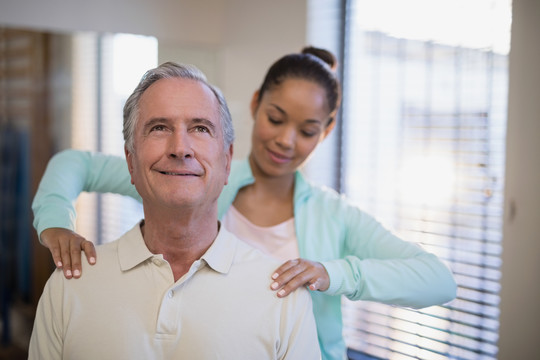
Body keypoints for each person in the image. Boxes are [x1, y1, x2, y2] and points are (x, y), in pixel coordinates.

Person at [32, 47, 457, 360]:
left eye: (307, 130)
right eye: (276, 118)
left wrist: (333, 273)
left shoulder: (334, 216)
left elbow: (438, 280)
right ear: (255, 105)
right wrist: (54, 224)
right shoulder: (195, 173)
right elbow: (77, 164)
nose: (286, 140)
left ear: (325, 132)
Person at [28, 62, 321, 359]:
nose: (180, 148)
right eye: (159, 128)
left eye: (200, 128)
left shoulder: (284, 298)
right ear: (130, 161)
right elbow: (73, 164)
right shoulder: (69, 288)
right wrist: (54, 223)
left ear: (227, 161)